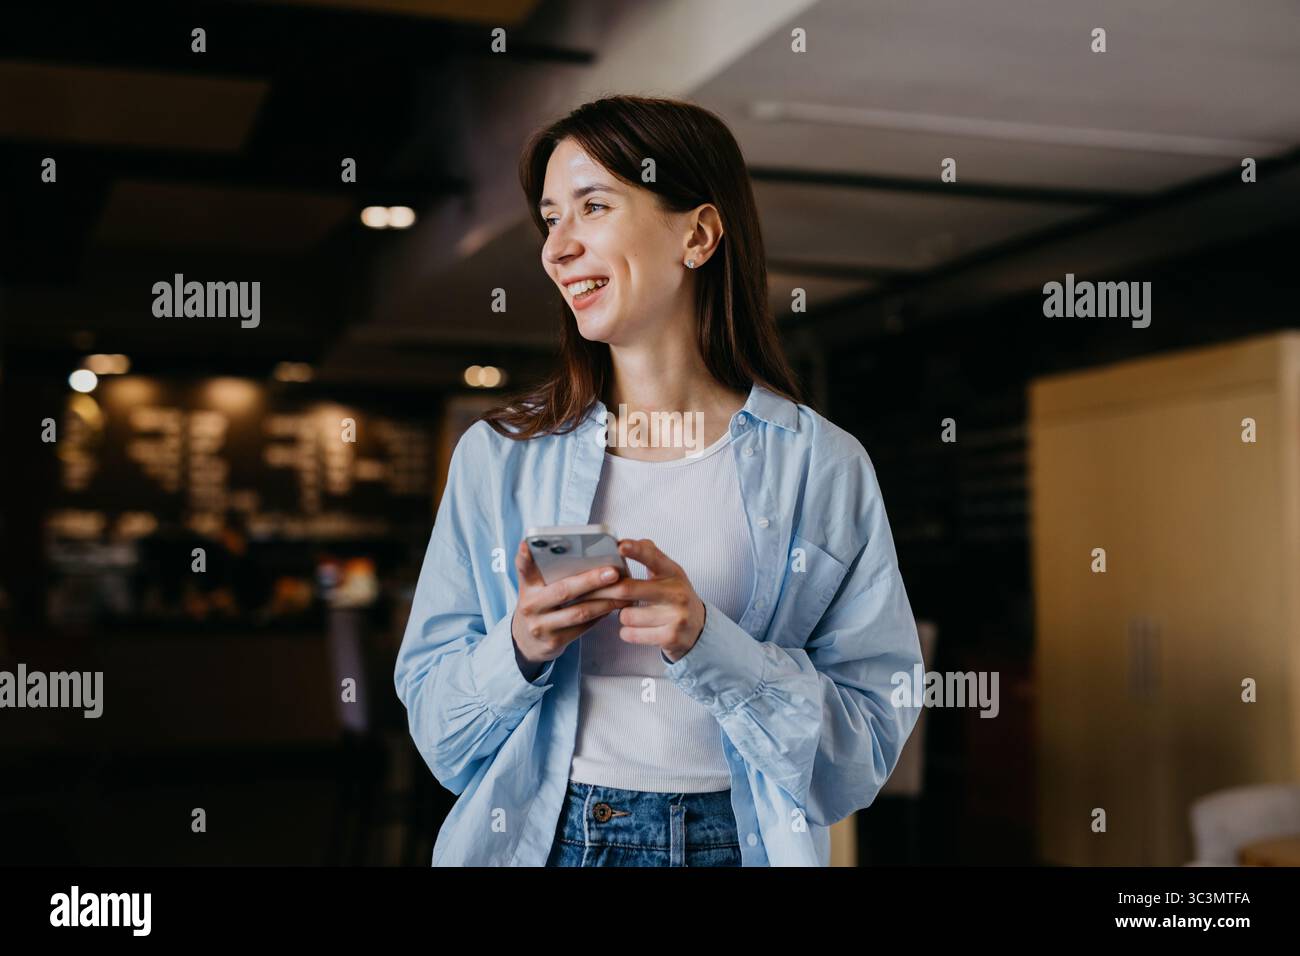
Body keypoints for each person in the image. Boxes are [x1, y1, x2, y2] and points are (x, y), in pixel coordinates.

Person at [394, 94, 923, 866]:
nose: (555, 248)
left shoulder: (823, 465)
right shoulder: (497, 457)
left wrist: (713, 644)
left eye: (592, 206)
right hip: (550, 844)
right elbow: (440, 736)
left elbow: (864, 752)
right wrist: (520, 645)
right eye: (550, 218)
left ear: (699, 235)